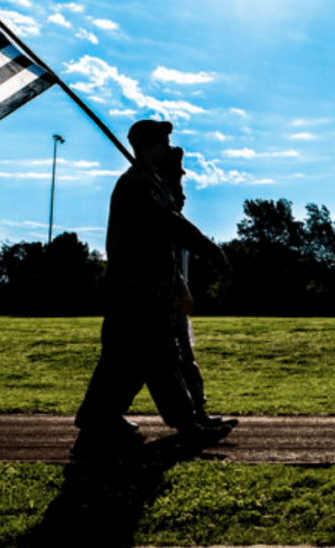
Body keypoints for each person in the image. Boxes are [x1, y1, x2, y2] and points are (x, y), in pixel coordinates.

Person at [72, 120, 232, 457]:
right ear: (145, 146)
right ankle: (188, 427)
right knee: (160, 359)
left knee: (122, 363)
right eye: (163, 142)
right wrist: (210, 249)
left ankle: (98, 419)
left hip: (139, 293)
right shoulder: (137, 185)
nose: (167, 148)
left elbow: (162, 242)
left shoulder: (148, 183)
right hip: (136, 294)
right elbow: (170, 224)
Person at [160, 145, 238, 430]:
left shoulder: (171, 213)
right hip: (165, 301)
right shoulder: (159, 212)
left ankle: (197, 413)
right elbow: (164, 262)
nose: (184, 196)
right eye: (179, 184)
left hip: (174, 303)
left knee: (183, 360)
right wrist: (182, 289)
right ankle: (190, 419)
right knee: (166, 363)